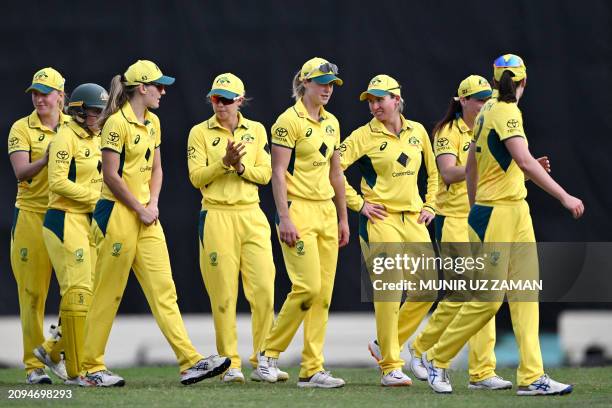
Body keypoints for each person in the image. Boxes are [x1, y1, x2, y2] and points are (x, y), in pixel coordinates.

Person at [421, 54, 584, 396]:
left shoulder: (487, 113)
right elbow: (523, 161)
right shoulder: (506, 112)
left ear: (494, 82)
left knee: (525, 295)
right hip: (496, 214)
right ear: (524, 82)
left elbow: (475, 163)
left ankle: (532, 376)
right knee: (489, 299)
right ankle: (436, 359)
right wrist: (564, 197)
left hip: (511, 210)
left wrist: (472, 203)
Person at [78, 60, 230, 387]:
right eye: (158, 86)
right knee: (109, 293)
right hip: (117, 213)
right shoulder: (116, 124)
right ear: (142, 88)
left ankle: (189, 362)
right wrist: (139, 207)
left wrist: (153, 204)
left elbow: (157, 169)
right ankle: (90, 368)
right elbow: (110, 176)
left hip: (146, 215)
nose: (163, 91)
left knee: (165, 291)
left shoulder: (154, 122)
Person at [409, 75, 513, 390]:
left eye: (488, 99)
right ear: (463, 101)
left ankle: (482, 372)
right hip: (451, 218)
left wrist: (526, 165)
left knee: (485, 296)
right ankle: (421, 349)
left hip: (480, 217)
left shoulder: (490, 128)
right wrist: (477, 166)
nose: (484, 104)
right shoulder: (447, 132)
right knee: (462, 294)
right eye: (479, 99)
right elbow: (448, 172)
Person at [255, 57, 349, 388]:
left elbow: (336, 172)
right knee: (307, 288)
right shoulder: (287, 121)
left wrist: (343, 217)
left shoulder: (332, 122)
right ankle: (268, 354)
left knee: (322, 295)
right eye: (321, 82)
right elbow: (277, 172)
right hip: (299, 212)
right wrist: (284, 216)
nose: (326, 89)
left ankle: (312, 369)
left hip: (326, 212)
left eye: (331, 84)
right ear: (305, 82)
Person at [339, 74, 438, 386]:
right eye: (370, 100)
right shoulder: (362, 136)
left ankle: (385, 344)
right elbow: (333, 167)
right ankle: (390, 366)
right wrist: (358, 204)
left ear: (397, 99)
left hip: (414, 219)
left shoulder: (418, 131)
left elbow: (434, 174)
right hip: (380, 220)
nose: (374, 105)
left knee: (428, 289)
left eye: (380, 99)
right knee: (389, 291)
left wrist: (431, 205)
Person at [187, 73, 286, 383]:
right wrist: (223, 163)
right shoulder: (199, 132)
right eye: (216, 99)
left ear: (240, 101)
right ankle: (230, 364)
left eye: (227, 100)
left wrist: (239, 167)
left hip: (251, 215)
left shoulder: (256, 130)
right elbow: (196, 177)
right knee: (224, 294)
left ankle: (263, 360)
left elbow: (266, 174)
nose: (220, 106)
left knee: (264, 291)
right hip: (216, 215)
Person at [41, 83, 108, 384]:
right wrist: (97, 200)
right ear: (79, 110)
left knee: (89, 295)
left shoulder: (97, 138)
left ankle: (53, 350)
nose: (100, 116)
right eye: (96, 111)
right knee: (79, 292)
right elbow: (56, 182)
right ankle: (78, 372)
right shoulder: (64, 137)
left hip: (86, 222)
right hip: (64, 219)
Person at [8, 67, 70, 384]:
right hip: (31, 216)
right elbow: (21, 172)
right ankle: (34, 366)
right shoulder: (22, 128)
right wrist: (48, 158)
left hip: (66, 216)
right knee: (32, 295)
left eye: (45, 92)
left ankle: (57, 350)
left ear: (61, 95)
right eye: (35, 92)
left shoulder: (73, 126)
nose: (39, 98)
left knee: (77, 289)